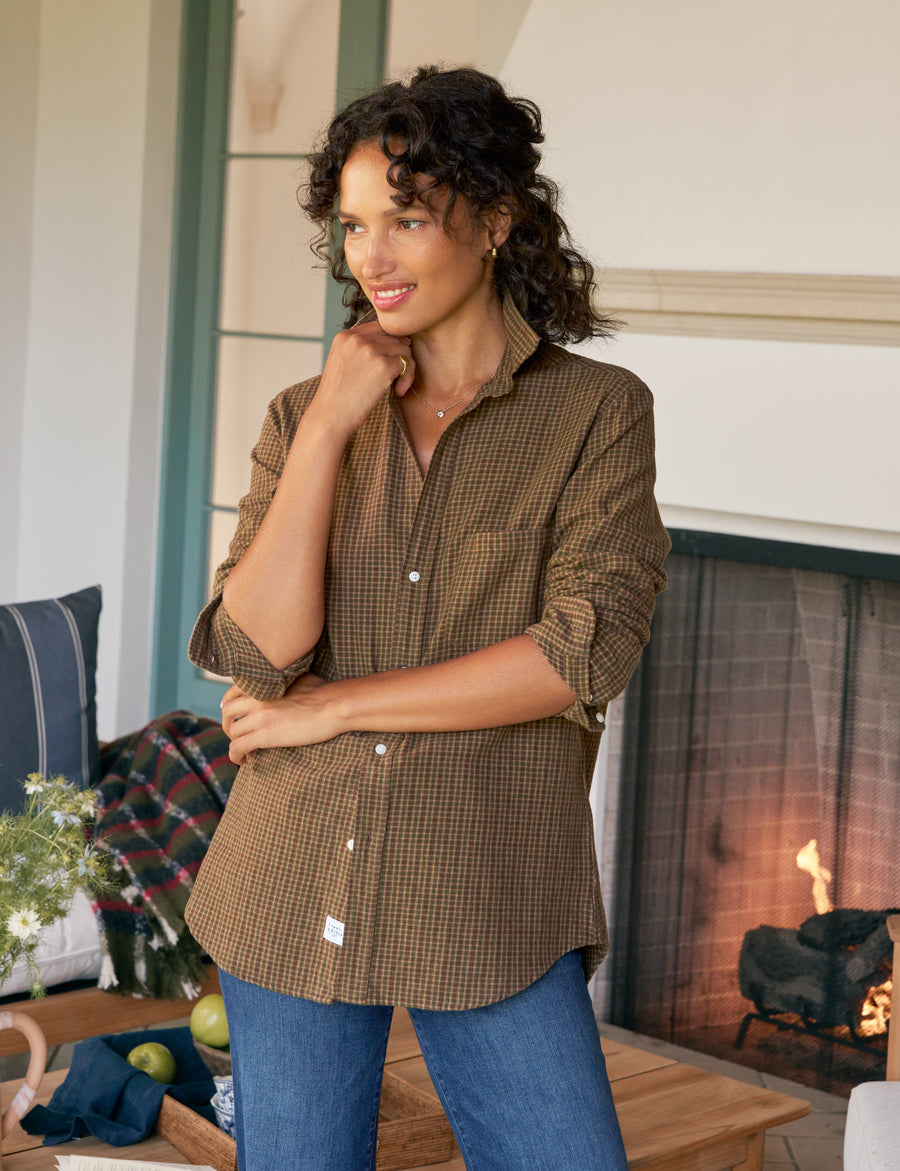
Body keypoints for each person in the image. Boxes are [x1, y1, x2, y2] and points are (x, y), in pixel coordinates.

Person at [186, 65, 670, 1170]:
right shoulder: (304, 415)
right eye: (356, 225)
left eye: (406, 218)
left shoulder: (598, 414)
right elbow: (256, 648)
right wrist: (329, 425)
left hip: (489, 887)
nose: (373, 256)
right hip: (289, 874)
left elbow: (580, 652)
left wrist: (337, 707)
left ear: (495, 222)